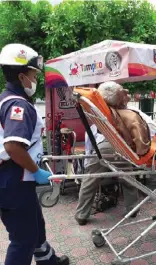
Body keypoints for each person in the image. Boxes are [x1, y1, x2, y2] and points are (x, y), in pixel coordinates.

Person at [0, 44, 69, 265]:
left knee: (36, 227)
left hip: (14, 181)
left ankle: (49, 262)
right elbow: (13, 146)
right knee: (23, 239)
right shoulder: (17, 106)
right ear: (21, 76)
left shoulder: (5, 99)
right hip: (14, 181)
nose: (35, 79)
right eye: (33, 74)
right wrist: (36, 170)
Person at [75, 124, 139, 226]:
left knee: (89, 181)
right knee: (129, 180)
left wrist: (88, 168)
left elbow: (89, 149)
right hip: (119, 147)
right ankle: (133, 210)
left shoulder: (93, 126)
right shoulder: (118, 119)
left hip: (102, 147)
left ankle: (81, 215)